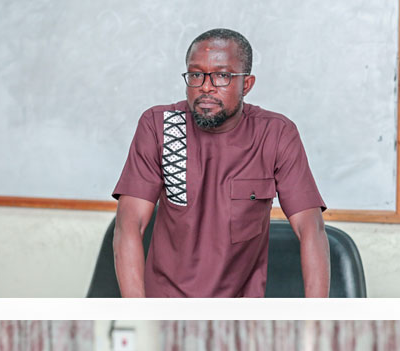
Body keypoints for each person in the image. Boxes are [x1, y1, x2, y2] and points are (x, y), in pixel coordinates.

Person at [113, 29, 330, 297]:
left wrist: (317, 320)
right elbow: (128, 224)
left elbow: (311, 228)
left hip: (239, 315)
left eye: (222, 76)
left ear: (246, 85)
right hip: (165, 308)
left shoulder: (276, 134)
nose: (206, 86)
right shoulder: (159, 126)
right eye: (196, 75)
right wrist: (138, 316)